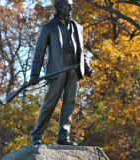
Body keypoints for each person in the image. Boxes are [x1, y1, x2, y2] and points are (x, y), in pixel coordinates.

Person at [29, 0, 93, 145]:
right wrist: (34, 74)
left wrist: (87, 66)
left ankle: (64, 137)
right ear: (59, 8)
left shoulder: (78, 27)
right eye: (67, 6)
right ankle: (37, 135)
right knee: (50, 103)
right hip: (57, 70)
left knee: (69, 103)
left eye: (71, 5)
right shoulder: (48, 27)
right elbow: (39, 52)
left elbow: (82, 50)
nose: (71, 8)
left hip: (74, 69)